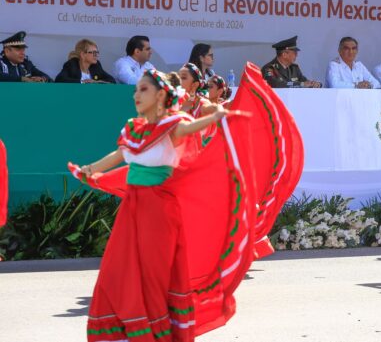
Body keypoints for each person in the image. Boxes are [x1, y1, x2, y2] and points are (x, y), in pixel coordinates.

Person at [71, 69, 257, 342]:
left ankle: (156, 334)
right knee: (117, 271)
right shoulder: (135, 128)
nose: (136, 95)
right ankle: (127, 332)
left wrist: (215, 116)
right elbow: (121, 154)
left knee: (152, 276)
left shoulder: (173, 126)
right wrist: (90, 169)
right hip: (132, 209)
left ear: (160, 95)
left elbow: (186, 128)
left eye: (143, 89)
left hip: (159, 211)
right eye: (136, 90)